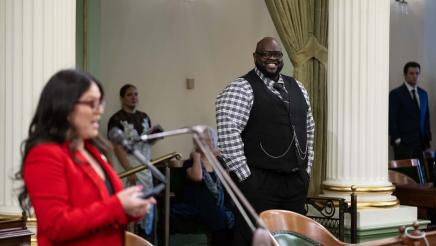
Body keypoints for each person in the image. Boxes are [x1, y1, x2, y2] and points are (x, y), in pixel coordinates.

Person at [15, 69, 155, 246]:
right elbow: (57, 226)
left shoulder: (92, 150)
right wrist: (118, 206)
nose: (100, 111)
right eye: (91, 103)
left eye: (100, 103)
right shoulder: (45, 154)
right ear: (65, 107)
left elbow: (107, 209)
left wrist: (132, 208)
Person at [215, 37, 315, 245]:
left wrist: (307, 170)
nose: (272, 59)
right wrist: (246, 178)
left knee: (293, 240)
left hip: (295, 182)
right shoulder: (241, 88)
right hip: (259, 182)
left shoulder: (298, 87)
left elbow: (309, 128)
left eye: (276, 55)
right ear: (255, 57)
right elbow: (228, 134)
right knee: (255, 241)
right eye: (265, 54)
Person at [107, 84, 159, 238]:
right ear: (122, 98)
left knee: (145, 209)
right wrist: (129, 170)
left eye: (136, 94)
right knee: (126, 211)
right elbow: (117, 148)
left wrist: (154, 136)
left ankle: (144, 239)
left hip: (144, 165)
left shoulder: (144, 117)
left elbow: (145, 143)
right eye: (129, 94)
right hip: (126, 168)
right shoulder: (116, 119)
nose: (134, 97)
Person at [170, 128, 234, 246]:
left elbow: (228, 183)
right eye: (203, 140)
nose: (207, 143)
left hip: (216, 205)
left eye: (210, 140)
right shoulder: (190, 162)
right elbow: (198, 177)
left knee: (229, 214)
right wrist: (197, 157)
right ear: (196, 143)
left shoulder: (218, 162)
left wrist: (222, 159)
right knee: (218, 215)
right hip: (196, 205)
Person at [389, 61, 431, 162]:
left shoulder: (423, 94)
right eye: (411, 73)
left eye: (417, 73)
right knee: (406, 175)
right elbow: (391, 118)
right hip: (403, 144)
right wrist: (397, 139)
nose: (414, 76)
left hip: (421, 144)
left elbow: (426, 118)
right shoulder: (396, 94)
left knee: (421, 175)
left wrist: (428, 139)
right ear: (405, 75)